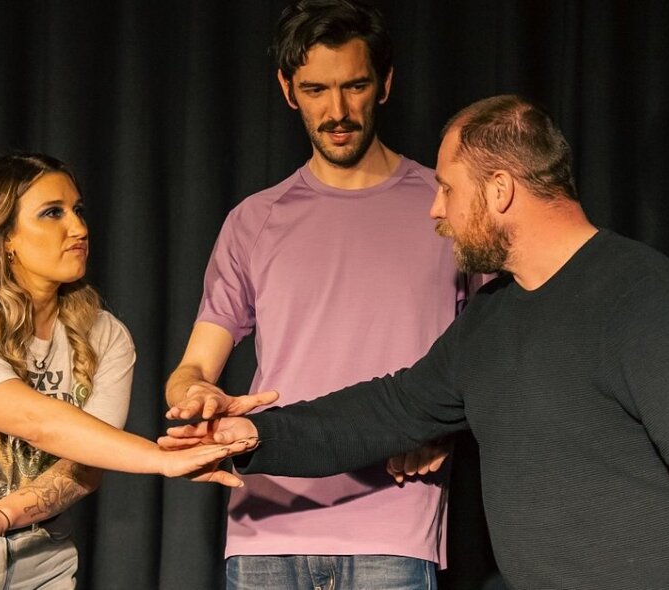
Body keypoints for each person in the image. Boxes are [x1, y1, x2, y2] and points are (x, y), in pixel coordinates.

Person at [163, 95, 669, 589]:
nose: (436, 210)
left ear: (498, 191)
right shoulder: (490, 320)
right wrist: (253, 435)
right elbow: (386, 409)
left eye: (446, 189)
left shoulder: (640, 291)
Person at [164, 1, 486, 588]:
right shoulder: (254, 220)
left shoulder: (446, 208)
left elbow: (498, 354)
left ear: (384, 84)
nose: (336, 111)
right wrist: (195, 397)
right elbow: (192, 368)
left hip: (393, 529)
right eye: (315, 89)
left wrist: (445, 427)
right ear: (289, 90)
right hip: (265, 528)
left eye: (354, 85)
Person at [0, 153, 253, 590]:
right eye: (52, 213)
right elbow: (37, 422)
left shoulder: (107, 336)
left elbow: (84, 465)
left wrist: (0, 515)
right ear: (4, 236)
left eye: (78, 210)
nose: (80, 229)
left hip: (39, 559)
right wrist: (160, 459)